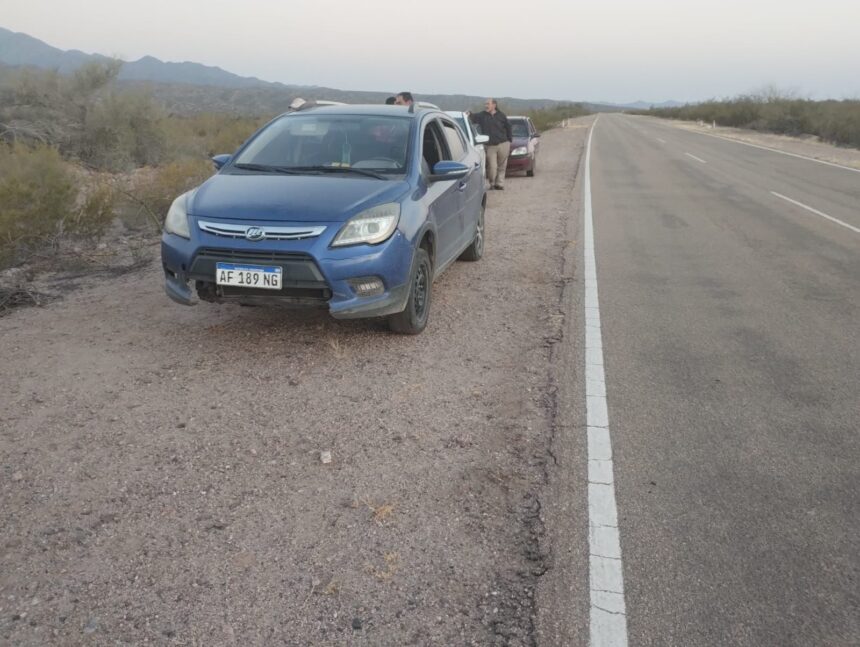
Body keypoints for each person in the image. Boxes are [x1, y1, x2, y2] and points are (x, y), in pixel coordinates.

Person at [469, 98, 512, 189]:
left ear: (494, 105)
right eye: (485, 104)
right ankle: (492, 183)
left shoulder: (501, 115)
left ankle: (499, 184)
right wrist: (469, 113)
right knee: (492, 166)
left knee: (502, 166)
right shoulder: (482, 115)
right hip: (490, 146)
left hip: (503, 143)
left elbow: (508, 128)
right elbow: (472, 118)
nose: (486, 106)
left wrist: (509, 141)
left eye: (488, 104)